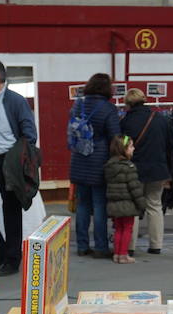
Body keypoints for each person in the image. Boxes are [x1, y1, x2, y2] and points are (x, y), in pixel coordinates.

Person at [0, 59, 38, 277]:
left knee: (12, 213)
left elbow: (30, 134)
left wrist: (18, 158)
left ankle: (12, 260)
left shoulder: (16, 101)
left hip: (10, 162)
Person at [69, 73, 120, 259]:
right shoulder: (108, 108)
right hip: (99, 161)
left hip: (79, 159)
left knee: (83, 204)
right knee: (99, 206)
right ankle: (100, 246)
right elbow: (115, 136)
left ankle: (82, 246)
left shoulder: (78, 104)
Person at [120, 88, 173, 255]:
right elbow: (170, 145)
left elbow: (122, 146)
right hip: (158, 169)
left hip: (134, 170)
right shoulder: (161, 119)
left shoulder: (125, 122)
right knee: (155, 205)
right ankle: (156, 245)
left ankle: (130, 246)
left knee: (133, 207)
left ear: (128, 103)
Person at [104, 134, 147, 264]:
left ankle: (117, 254)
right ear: (124, 149)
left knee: (118, 229)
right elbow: (135, 189)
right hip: (128, 204)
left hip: (114, 203)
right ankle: (123, 255)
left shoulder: (109, 166)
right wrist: (142, 205)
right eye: (131, 146)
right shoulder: (129, 167)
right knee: (127, 229)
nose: (133, 149)